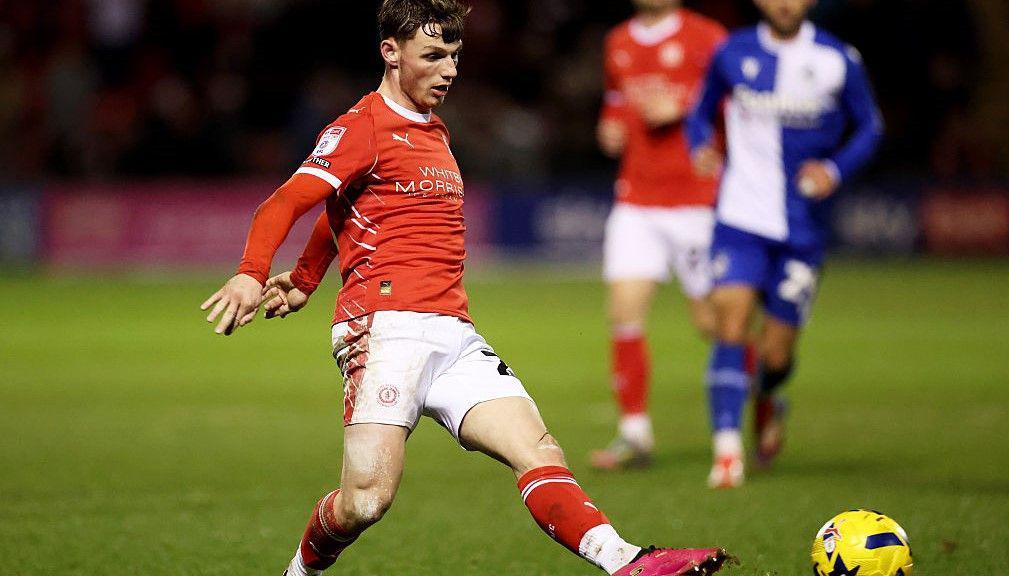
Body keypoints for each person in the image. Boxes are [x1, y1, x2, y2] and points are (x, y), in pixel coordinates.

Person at [200, 1, 730, 574]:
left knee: (539, 449)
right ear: (391, 52)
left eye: (454, 55)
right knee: (366, 501)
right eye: (432, 55)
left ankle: (628, 562)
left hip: (454, 334)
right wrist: (252, 274)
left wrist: (305, 279)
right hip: (385, 332)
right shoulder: (362, 126)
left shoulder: (434, 130)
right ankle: (299, 572)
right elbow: (287, 202)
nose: (449, 69)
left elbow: (342, 210)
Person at [687, 0, 883, 488]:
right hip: (739, 218)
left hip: (802, 231)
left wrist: (834, 169)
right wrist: (700, 147)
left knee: (775, 356)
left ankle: (768, 398)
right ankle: (728, 451)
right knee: (729, 321)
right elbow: (700, 112)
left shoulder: (837, 59)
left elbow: (871, 126)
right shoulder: (732, 52)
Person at [591, 0, 728, 471]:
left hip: (696, 200)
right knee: (624, 312)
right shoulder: (619, 41)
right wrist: (610, 125)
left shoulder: (706, 35)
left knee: (715, 324)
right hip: (636, 199)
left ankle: (760, 401)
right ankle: (634, 433)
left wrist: (685, 104)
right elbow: (615, 98)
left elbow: (740, 99)